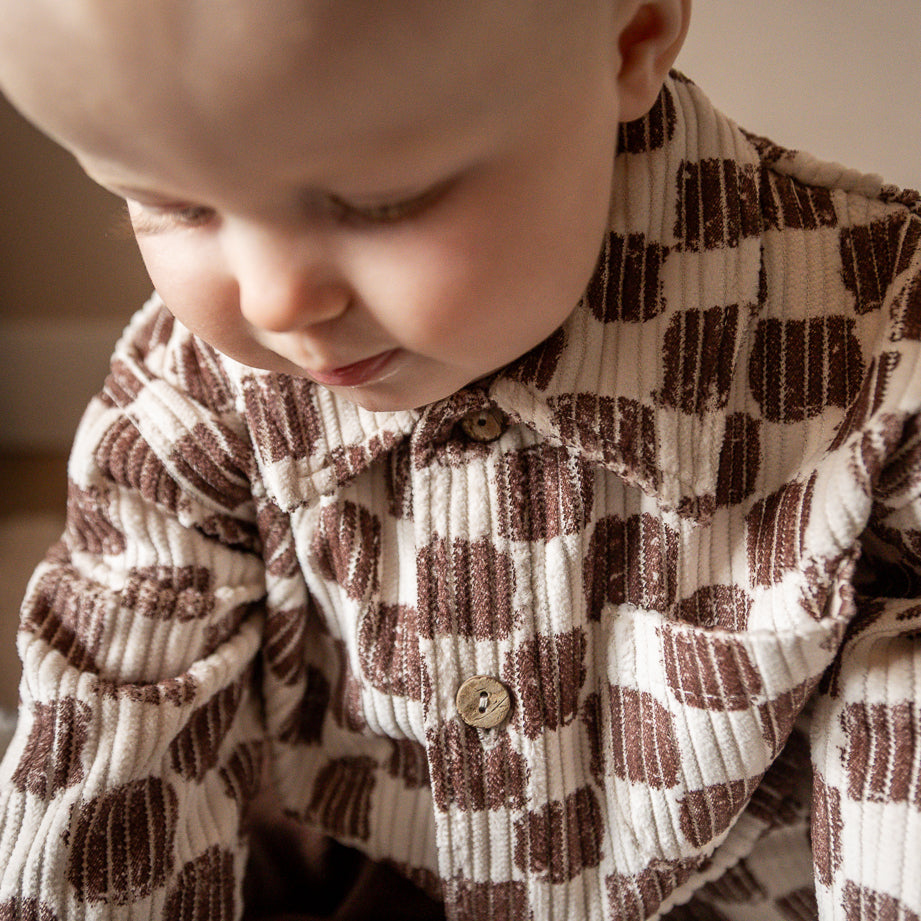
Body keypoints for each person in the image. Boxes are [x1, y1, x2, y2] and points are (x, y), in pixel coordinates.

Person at [0, 0, 918, 918]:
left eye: (378, 200)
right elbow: (117, 712)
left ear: (632, 33)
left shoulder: (879, 350)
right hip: (399, 858)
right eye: (173, 204)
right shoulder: (189, 394)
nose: (277, 303)